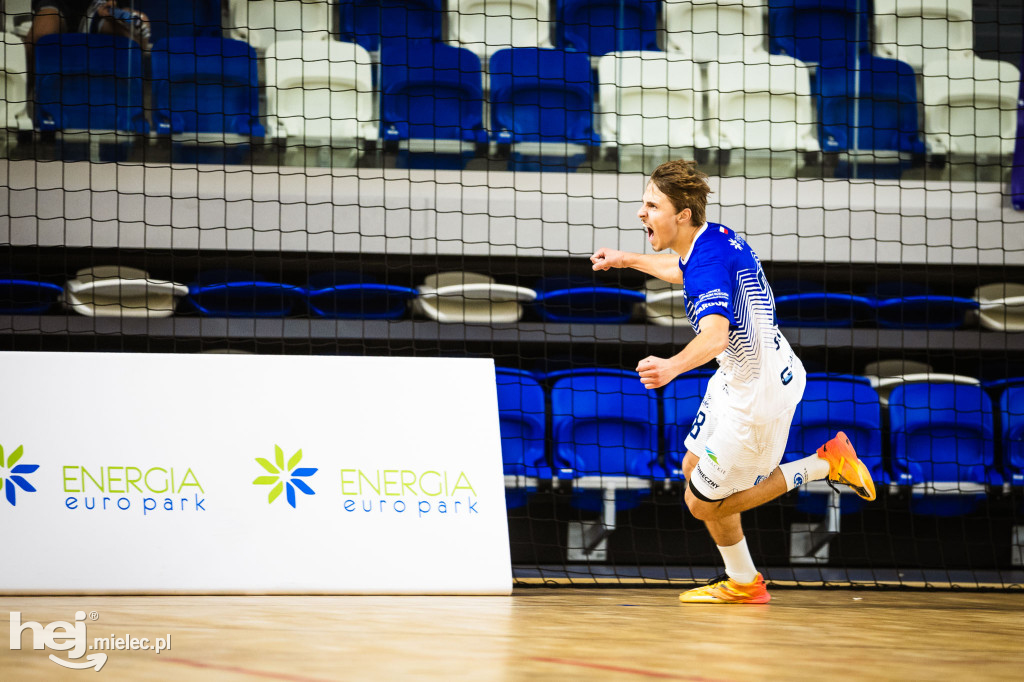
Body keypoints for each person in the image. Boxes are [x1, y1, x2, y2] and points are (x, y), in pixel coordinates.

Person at [590, 159, 876, 604]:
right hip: (740, 376)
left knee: (701, 503)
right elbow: (682, 270)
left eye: (651, 205)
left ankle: (825, 464)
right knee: (692, 468)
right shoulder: (712, 238)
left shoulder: (705, 262)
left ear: (682, 215)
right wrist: (626, 259)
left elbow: (716, 334)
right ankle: (742, 580)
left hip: (757, 399)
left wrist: (670, 367)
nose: (641, 213)